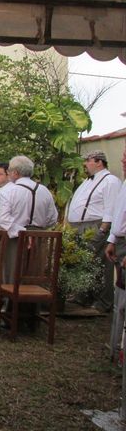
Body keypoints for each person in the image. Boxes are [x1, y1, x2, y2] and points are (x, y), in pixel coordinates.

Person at [67, 150, 121, 312]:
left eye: (88, 160)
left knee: (100, 263)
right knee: (84, 263)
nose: (85, 164)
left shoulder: (110, 181)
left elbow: (111, 207)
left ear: (99, 162)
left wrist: (103, 229)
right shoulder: (88, 181)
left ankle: (103, 301)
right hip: (80, 227)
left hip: (96, 226)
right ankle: (83, 295)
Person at [0, 156, 59, 285]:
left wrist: (22, 231)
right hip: (39, 237)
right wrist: (38, 228)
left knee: (12, 270)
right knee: (35, 271)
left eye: (8, 171)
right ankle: (32, 303)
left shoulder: (9, 191)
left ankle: (10, 302)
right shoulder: (44, 191)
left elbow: (3, 219)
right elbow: (53, 218)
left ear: (15, 173)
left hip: (15, 237)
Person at [106, 147, 126, 363]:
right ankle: (116, 347)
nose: (122, 159)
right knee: (120, 299)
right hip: (119, 242)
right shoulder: (124, 183)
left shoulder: (114, 182)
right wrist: (112, 238)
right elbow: (119, 214)